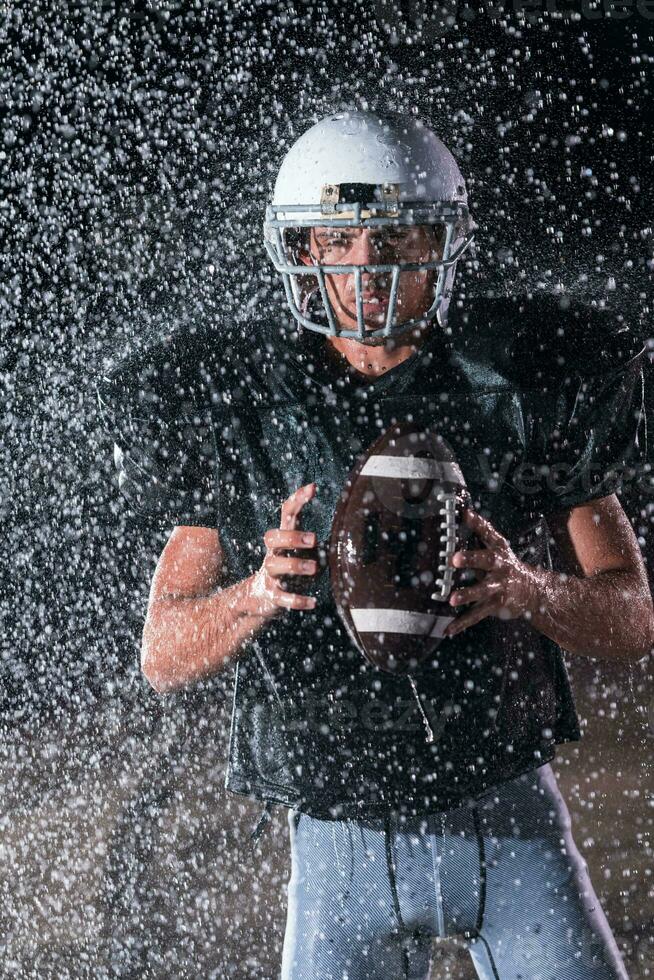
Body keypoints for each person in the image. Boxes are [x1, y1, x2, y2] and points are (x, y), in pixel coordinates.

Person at [97, 110, 653, 979]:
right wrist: (256, 593)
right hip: (336, 842)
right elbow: (162, 654)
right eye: (340, 239)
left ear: (440, 239)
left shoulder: (515, 382)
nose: (369, 269)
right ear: (304, 250)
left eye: (394, 235)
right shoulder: (248, 404)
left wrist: (524, 589)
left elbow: (633, 617)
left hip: (507, 815)